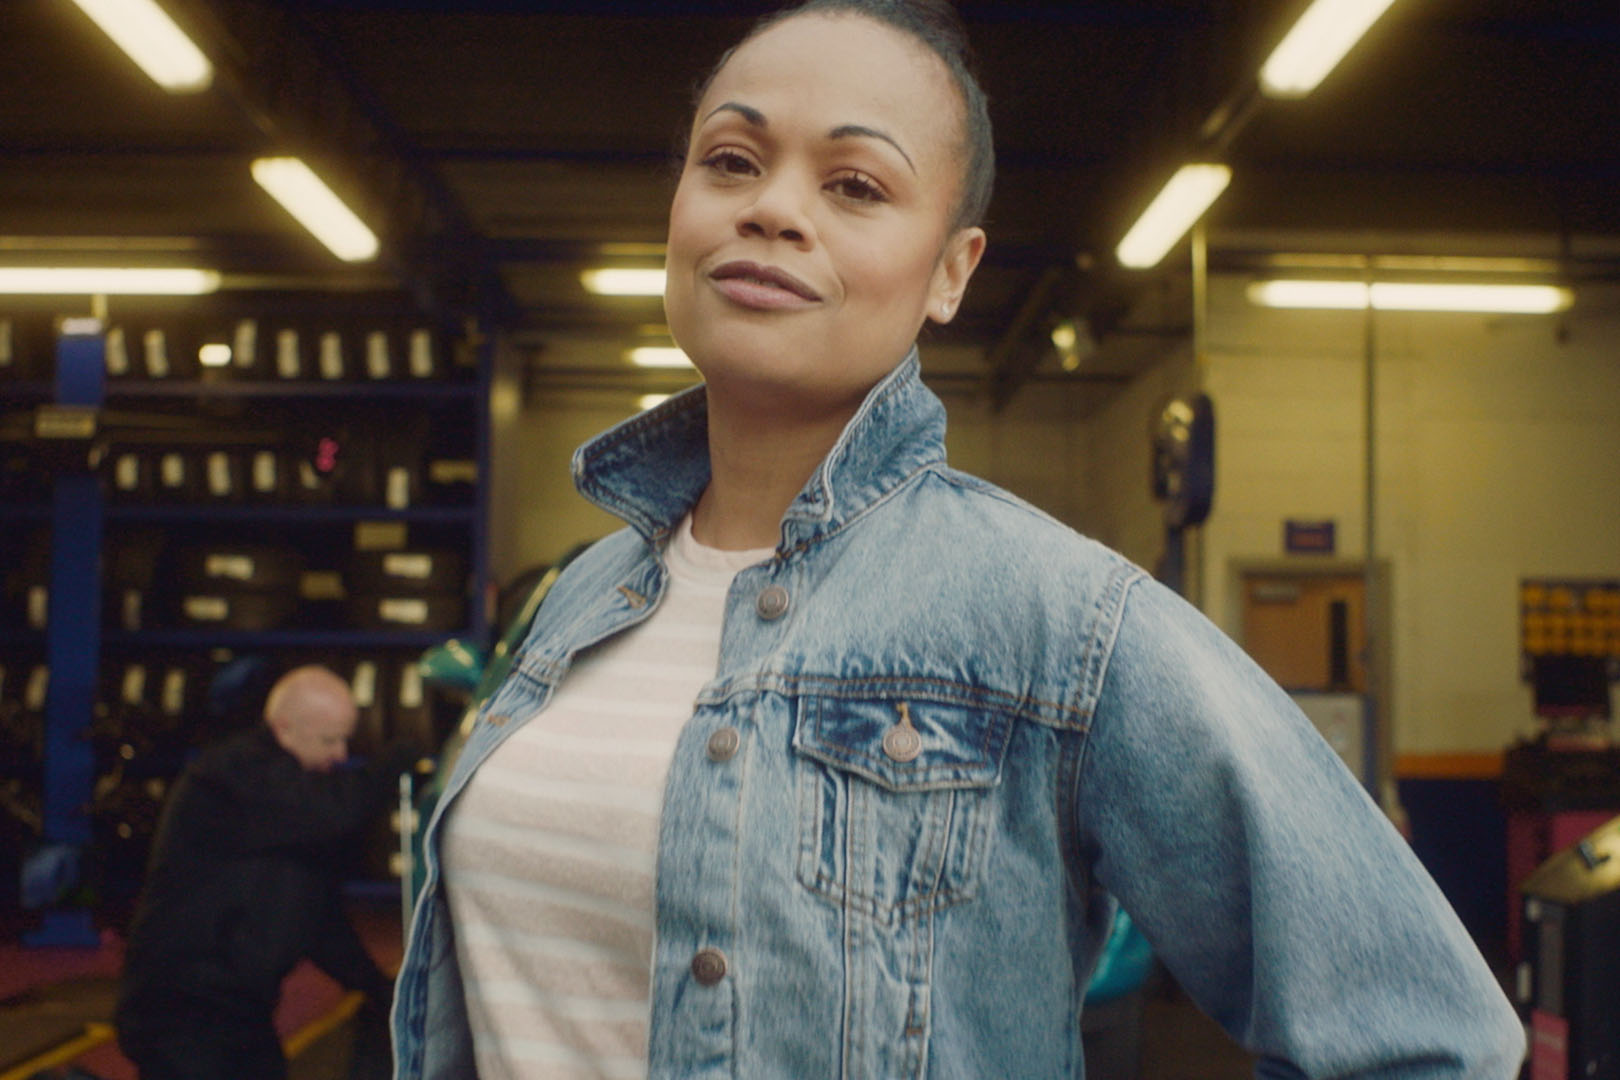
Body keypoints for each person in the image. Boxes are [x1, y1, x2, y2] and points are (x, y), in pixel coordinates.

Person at [391, 2, 1526, 1077]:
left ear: (950, 271)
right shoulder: (582, 597)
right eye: (731, 161)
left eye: (855, 183)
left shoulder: (1056, 617)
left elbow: (1423, 1034)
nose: (773, 208)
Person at [117, 664, 417, 1080]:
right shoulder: (230, 777)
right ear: (284, 728)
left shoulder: (293, 802)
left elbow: (317, 917)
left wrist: (375, 985)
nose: (340, 755)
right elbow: (335, 810)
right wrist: (395, 762)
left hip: (241, 1013)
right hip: (178, 1011)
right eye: (329, 740)